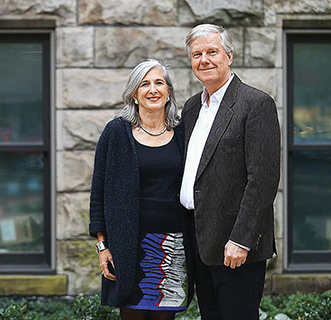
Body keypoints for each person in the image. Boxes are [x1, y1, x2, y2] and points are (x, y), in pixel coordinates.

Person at [180, 24, 280, 320]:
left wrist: (241, 240)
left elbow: (262, 180)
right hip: (199, 241)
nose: (204, 60)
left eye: (212, 51)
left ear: (229, 56)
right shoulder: (191, 109)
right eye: (197, 54)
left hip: (235, 247)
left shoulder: (255, 104)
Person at [89, 59, 195, 320]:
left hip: (174, 247)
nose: (153, 89)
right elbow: (98, 193)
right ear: (134, 94)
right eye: (144, 84)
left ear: (168, 91)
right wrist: (103, 246)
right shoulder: (116, 133)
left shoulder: (183, 133)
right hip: (130, 247)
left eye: (159, 82)